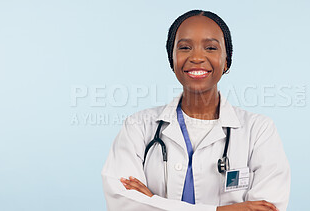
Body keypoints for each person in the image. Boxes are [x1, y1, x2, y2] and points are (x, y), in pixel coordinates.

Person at [101, 9, 291, 211]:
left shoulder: (259, 131)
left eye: (210, 47)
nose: (197, 57)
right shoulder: (138, 127)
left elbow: (266, 208)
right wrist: (221, 210)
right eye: (184, 47)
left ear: (227, 60)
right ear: (171, 59)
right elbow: (122, 203)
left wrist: (153, 201)